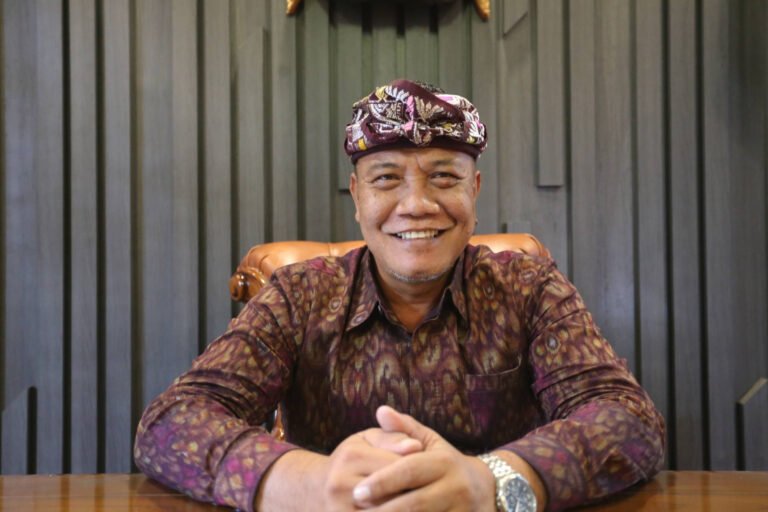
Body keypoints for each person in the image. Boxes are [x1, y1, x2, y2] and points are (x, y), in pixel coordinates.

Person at [134, 79, 665, 512]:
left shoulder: (530, 288)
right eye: (386, 179)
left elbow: (628, 418)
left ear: (474, 190)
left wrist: (492, 481)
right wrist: (307, 485)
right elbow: (170, 422)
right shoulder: (299, 295)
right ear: (357, 196)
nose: (416, 204)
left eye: (444, 177)